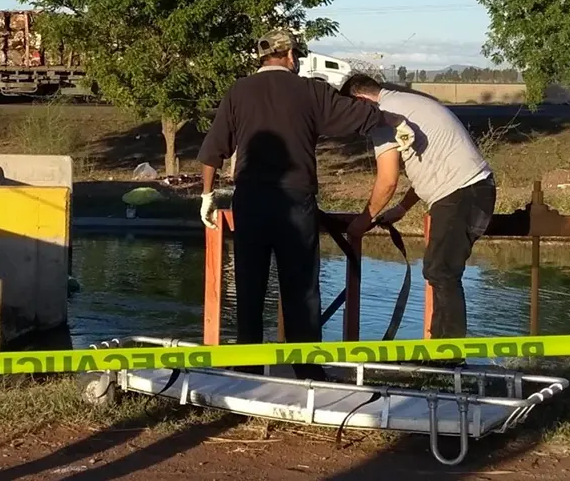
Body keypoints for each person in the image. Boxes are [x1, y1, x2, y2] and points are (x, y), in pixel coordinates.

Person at [196, 29, 415, 381]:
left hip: (250, 200)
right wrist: (393, 120)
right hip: (296, 203)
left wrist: (207, 195)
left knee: (249, 286)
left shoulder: (238, 92)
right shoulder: (310, 90)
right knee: (301, 289)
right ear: (290, 55)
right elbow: (360, 116)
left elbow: (213, 150)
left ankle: (246, 368)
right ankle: (307, 371)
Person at [340, 73, 496, 343]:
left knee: (442, 271)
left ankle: (446, 356)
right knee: (440, 270)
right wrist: (402, 208)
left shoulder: (382, 116)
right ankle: (440, 353)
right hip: (471, 190)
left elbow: (387, 181)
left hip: (460, 193)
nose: (356, 120)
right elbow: (429, 166)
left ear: (360, 100)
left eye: (353, 111)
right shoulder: (408, 103)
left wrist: (362, 222)